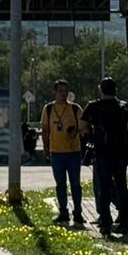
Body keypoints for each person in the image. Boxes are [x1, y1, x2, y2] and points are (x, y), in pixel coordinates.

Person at [80, 78, 128, 238]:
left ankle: (105, 224)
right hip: (121, 154)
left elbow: (82, 125)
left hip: (102, 152)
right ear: (115, 90)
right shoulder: (125, 107)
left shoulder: (93, 106)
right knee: (122, 187)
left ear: (101, 90)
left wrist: (92, 133)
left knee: (103, 188)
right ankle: (124, 222)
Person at [39, 80, 85, 227]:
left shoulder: (75, 108)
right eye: (60, 91)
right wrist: (46, 148)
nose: (63, 94)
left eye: (65, 91)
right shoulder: (48, 109)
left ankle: (78, 213)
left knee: (75, 184)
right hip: (56, 152)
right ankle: (63, 212)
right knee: (60, 184)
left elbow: (84, 127)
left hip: (73, 152)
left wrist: (76, 131)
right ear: (55, 92)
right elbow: (45, 129)